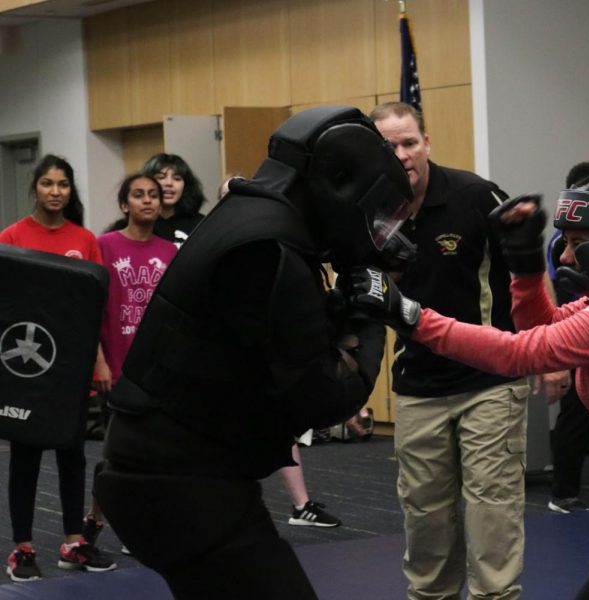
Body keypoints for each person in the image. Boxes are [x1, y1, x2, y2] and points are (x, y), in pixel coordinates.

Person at [346, 180, 589, 600]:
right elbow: (543, 327)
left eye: (578, 244)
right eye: (564, 243)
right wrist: (525, 265)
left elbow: (519, 353)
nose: (568, 256)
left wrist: (412, 317)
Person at [93, 106, 414, 600]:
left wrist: (347, 296)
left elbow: (275, 341)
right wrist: (373, 311)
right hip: (180, 484)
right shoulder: (269, 247)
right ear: (341, 185)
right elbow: (325, 398)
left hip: (168, 475)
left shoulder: (250, 218)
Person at [370, 101, 531, 600]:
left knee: (492, 509)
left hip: (489, 381)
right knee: (425, 518)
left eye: (409, 143)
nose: (401, 155)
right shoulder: (372, 215)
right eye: (388, 147)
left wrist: (543, 352)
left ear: (427, 143)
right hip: (418, 384)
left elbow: (527, 276)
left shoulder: (475, 195)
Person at [0, 154, 117, 581]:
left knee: (73, 458)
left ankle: (73, 543)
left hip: (72, 368)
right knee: (25, 459)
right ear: (35, 188)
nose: (55, 192)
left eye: (62, 184)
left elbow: (94, 311)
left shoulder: (85, 240)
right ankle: (22, 549)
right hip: (27, 370)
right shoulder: (12, 236)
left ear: (70, 190)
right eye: (47, 184)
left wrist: (100, 361)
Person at [82, 174, 178, 551]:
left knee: (154, 452)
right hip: (116, 367)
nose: (147, 201)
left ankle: (141, 524)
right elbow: (91, 308)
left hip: (155, 370)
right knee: (116, 454)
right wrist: (99, 362)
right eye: (138, 195)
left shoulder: (170, 252)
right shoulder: (104, 246)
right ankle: (95, 517)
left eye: (153, 195)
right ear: (125, 205)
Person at [547, 161, 589, 513]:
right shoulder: (563, 240)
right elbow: (564, 292)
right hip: (577, 328)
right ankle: (563, 492)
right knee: (575, 413)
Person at [140, 153, 206, 247]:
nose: (169, 183)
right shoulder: (137, 223)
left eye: (177, 178)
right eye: (161, 177)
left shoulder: (201, 224)